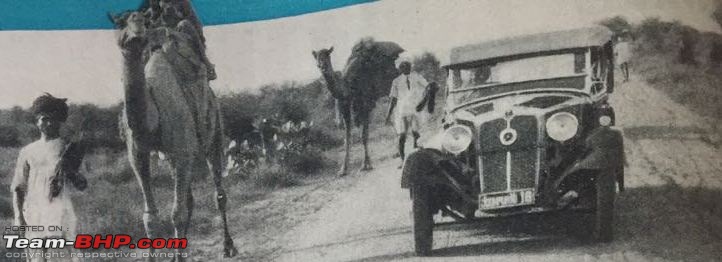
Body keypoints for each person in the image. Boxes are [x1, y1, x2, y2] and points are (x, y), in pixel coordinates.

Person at [12, 93, 87, 261]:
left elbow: (82, 185)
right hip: (33, 212)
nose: (48, 123)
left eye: (53, 119)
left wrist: (71, 172)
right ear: (37, 121)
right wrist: (19, 217)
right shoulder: (27, 152)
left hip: (60, 210)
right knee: (36, 257)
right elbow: (18, 187)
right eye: (44, 119)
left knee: (61, 257)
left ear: (60, 121)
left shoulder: (68, 148)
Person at [386, 61, 431, 168]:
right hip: (402, 111)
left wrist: (424, 100)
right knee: (402, 136)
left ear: (411, 67)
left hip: (415, 110)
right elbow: (393, 98)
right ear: (400, 69)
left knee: (416, 133)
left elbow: (428, 87)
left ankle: (418, 158)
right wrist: (388, 114)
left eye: (408, 67)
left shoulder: (417, 77)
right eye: (403, 67)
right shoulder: (396, 81)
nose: (406, 69)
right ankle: (402, 160)